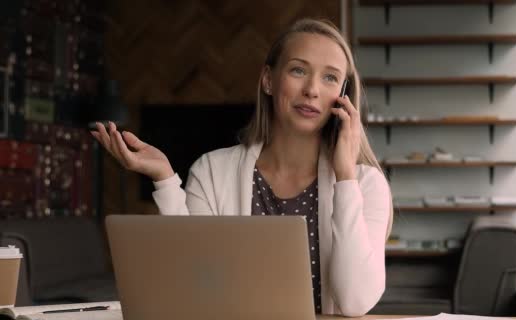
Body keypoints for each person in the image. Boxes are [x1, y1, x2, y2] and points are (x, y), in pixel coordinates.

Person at [91, 18, 392, 317]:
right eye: (298, 70)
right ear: (268, 80)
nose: (312, 89)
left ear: (342, 95)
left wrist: (345, 178)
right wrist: (165, 179)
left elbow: (355, 301)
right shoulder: (211, 172)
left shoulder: (366, 183)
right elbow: (191, 281)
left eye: (329, 77)